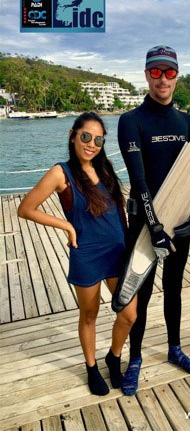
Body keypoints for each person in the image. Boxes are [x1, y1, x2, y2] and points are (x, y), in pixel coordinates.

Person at [18, 112, 137, 396]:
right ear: (73, 135)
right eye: (86, 137)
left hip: (117, 252)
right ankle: (92, 367)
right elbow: (26, 208)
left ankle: (114, 356)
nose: (91, 144)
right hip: (87, 255)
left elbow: (118, 210)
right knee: (89, 314)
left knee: (129, 314)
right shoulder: (62, 172)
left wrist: (130, 242)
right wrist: (66, 226)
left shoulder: (105, 167)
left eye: (98, 139)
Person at [118, 45, 190, 396]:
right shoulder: (131, 121)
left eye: (169, 72)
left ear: (176, 75)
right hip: (144, 222)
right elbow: (139, 182)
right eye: (155, 72)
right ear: (146, 75)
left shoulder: (186, 122)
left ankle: (175, 348)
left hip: (178, 223)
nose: (162, 79)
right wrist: (155, 227)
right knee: (141, 290)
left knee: (174, 286)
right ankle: (135, 358)